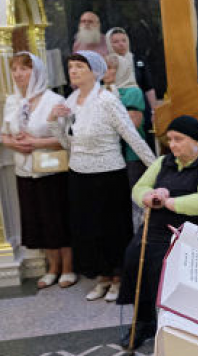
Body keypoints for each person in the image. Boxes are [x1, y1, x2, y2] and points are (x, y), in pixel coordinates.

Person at [118, 115, 198, 349]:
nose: (172, 145)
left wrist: (168, 202)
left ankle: (184, 325)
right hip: (163, 226)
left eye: (179, 139)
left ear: (196, 141)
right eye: (170, 140)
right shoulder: (164, 161)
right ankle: (145, 321)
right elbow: (139, 188)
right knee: (136, 255)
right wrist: (150, 197)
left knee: (162, 261)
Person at [48, 51, 156, 303]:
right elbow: (67, 144)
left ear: (94, 71)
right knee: (88, 230)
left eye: (79, 67)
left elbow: (132, 136)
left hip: (108, 176)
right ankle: (102, 278)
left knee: (112, 229)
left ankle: (118, 279)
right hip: (79, 176)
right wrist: (54, 120)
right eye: (70, 67)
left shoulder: (107, 100)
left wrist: (156, 169)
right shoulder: (72, 100)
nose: (73, 71)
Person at [1, 52, 74, 289]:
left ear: (37, 72)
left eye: (25, 69)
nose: (19, 74)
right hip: (24, 169)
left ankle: (68, 267)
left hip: (52, 170)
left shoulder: (54, 100)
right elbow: (4, 134)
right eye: (15, 69)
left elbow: (64, 139)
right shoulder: (13, 100)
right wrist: (14, 143)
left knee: (58, 218)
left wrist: (34, 143)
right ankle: (52, 267)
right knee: (39, 220)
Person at [104, 53, 149, 230]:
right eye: (105, 67)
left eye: (111, 68)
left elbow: (132, 124)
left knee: (134, 200)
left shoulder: (133, 92)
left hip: (131, 156)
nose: (106, 72)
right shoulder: (99, 91)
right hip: (109, 156)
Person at [106, 27, 158, 118]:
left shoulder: (138, 60)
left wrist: (154, 111)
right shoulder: (105, 63)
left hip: (139, 106)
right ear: (109, 44)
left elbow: (148, 87)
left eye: (124, 40)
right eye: (116, 42)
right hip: (114, 109)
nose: (121, 44)